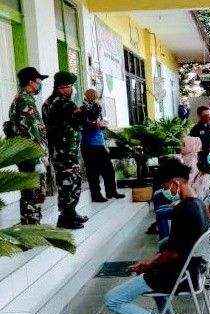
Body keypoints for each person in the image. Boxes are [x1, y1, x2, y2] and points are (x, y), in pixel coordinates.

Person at [105, 162, 210, 314]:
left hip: (175, 275)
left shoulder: (183, 210)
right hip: (191, 270)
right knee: (152, 270)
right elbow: (173, 248)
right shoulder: (198, 205)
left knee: (112, 299)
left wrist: (147, 265)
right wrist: (149, 263)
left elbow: (172, 254)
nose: (165, 191)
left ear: (175, 183)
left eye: (164, 186)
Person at [42, 71, 87, 230]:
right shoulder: (64, 103)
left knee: (64, 184)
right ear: (63, 87)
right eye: (71, 86)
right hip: (67, 151)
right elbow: (80, 121)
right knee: (71, 184)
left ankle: (70, 213)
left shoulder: (47, 103)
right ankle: (66, 218)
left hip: (57, 151)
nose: (72, 90)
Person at [6, 67, 49, 225]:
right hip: (30, 157)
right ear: (30, 82)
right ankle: (31, 226)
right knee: (33, 194)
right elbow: (30, 133)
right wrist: (37, 160)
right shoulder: (24, 101)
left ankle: (31, 224)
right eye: (39, 81)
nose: (40, 85)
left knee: (32, 193)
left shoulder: (24, 99)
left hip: (29, 155)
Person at [79, 88, 124, 202]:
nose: (96, 97)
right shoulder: (83, 109)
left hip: (99, 143)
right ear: (89, 96)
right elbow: (84, 126)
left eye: (96, 95)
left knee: (108, 169)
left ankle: (111, 191)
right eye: (93, 95)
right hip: (89, 144)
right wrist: (96, 124)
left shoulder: (97, 108)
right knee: (93, 171)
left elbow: (99, 122)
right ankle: (96, 195)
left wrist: (102, 125)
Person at [181, 136, 210, 201]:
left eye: (184, 145)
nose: (182, 146)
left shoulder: (193, 159)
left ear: (191, 146)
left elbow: (190, 177)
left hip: (188, 189)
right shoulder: (186, 157)